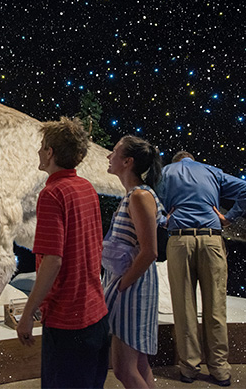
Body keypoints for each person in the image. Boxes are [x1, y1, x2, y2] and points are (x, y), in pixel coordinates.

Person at [16, 117, 110, 389]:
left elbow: (52, 261)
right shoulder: (87, 188)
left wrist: (27, 315)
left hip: (68, 323)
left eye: (42, 145)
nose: (38, 151)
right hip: (96, 316)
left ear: (50, 152)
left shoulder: (52, 194)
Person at [157, 151, 246, 387]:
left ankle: (189, 368)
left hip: (179, 241)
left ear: (176, 161)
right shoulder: (212, 171)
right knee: (216, 306)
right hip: (211, 239)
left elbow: (143, 197)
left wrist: (163, 220)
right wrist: (229, 217)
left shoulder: (164, 173)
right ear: (191, 159)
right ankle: (220, 369)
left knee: (184, 307)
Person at [102, 135, 164, 389]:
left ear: (127, 162)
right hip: (130, 284)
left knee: (124, 370)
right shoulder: (133, 195)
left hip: (132, 287)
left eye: (114, 151)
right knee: (138, 365)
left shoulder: (139, 196)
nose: (109, 156)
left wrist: (121, 286)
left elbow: (149, 251)